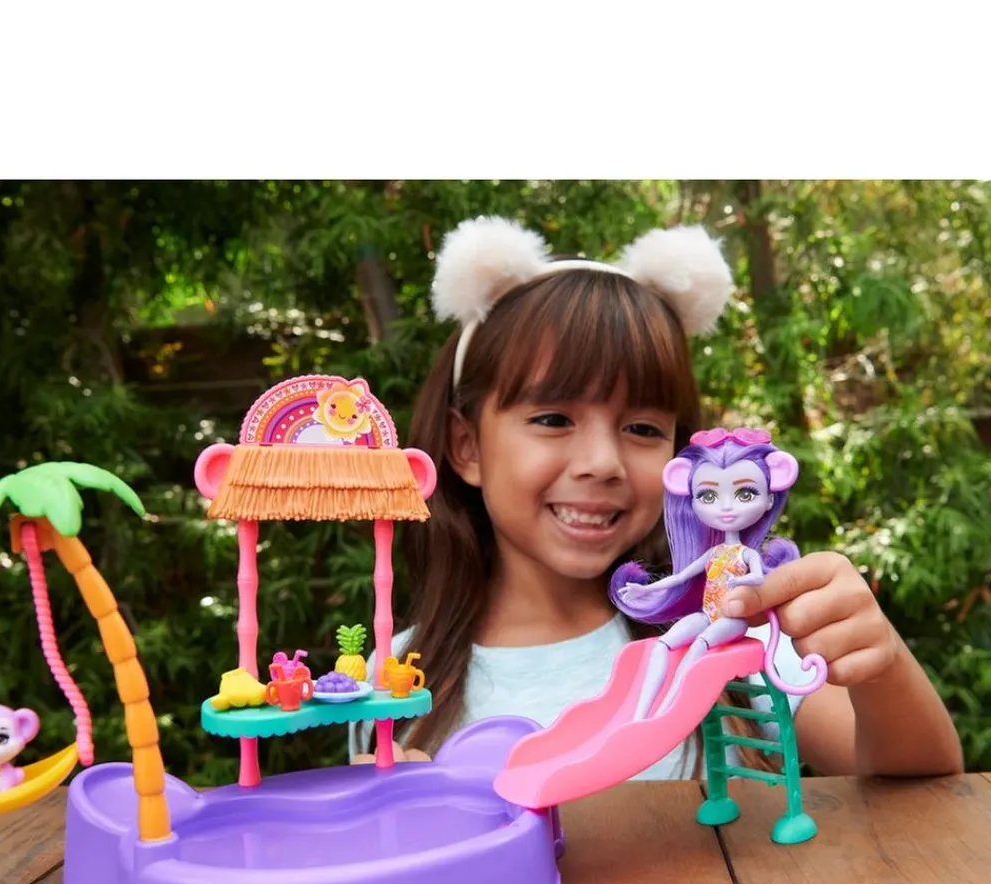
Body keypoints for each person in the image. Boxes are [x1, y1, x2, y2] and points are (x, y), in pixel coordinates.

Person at [350, 214, 963, 780]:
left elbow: (922, 778)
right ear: (467, 446)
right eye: (553, 419)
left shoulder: (730, 629)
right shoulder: (393, 681)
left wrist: (881, 665)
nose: (603, 463)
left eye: (642, 428)